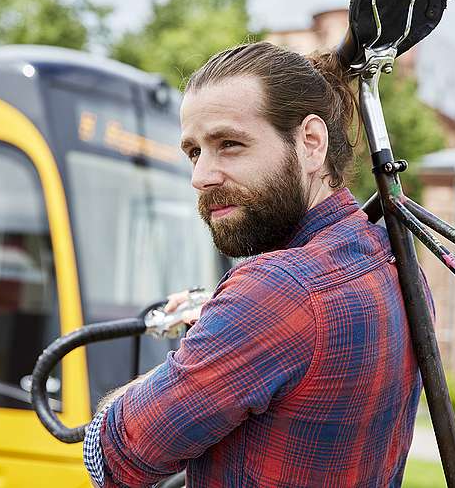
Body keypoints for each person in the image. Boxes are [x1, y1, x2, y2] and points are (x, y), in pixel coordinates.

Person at [83, 41, 424, 487]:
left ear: (310, 143)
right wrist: (219, 322)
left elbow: (113, 458)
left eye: (230, 144)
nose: (201, 177)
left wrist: (182, 365)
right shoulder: (393, 260)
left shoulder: (276, 294)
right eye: (194, 152)